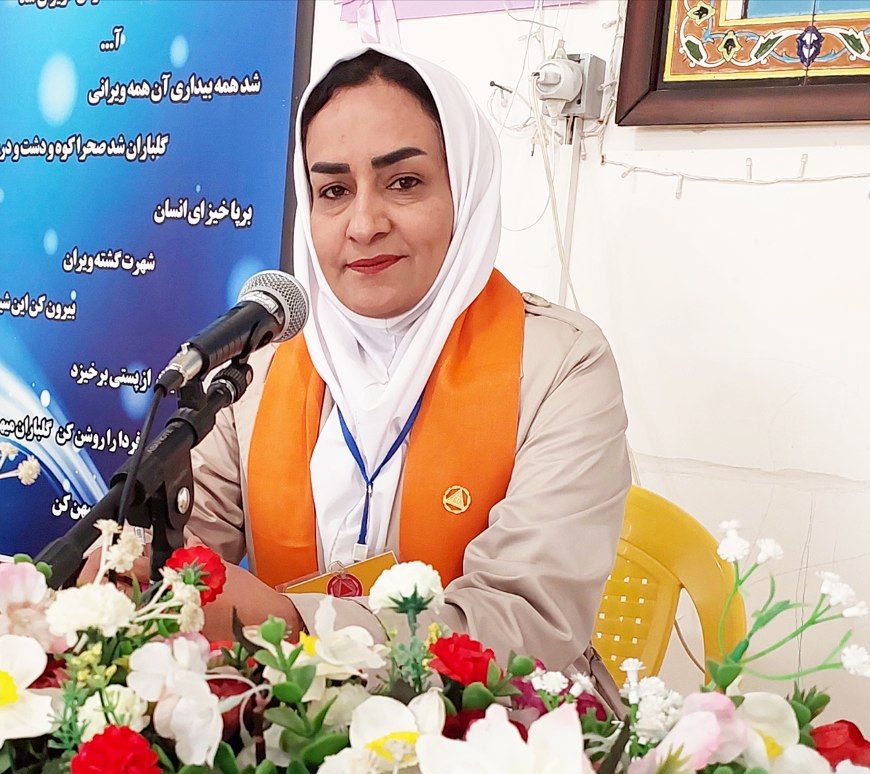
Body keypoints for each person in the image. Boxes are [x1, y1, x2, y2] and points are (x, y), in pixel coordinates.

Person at [188, 47, 631, 689]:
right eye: (333, 191)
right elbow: (187, 542)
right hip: (289, 713)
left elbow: (526, 616)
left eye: (404, 182)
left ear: (464, 191)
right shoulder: (260, 365)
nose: (364, 224)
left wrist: (296, 626)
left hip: (501, 724)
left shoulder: (561, 365)